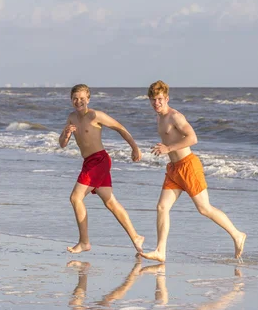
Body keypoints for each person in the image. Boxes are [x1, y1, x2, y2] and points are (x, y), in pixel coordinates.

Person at [140, 80, 246, 262]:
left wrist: (168, 148)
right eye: (152, 100)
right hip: (173, 169)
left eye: (159, 99)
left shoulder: (175, 117)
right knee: (162, 207)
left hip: (188, 166)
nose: (156, 103)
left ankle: (237, 235)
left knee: (204, 209)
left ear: (166, 98)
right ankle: (160, 251)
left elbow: (193, 138)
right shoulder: (159, 117)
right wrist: (167, 150)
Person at [59, 84, 144, 254]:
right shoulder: (71, 118)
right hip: (88, 162)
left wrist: (135, 148)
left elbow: (120, 127)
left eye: (82, 98)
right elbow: (62, 144)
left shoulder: (95, 115)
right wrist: (66, 134)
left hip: (99, 160)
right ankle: (136, 236)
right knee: (110, 202)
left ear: (88, 99)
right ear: (71, 100)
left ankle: (84, 242)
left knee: (76, 198)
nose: (79, 101)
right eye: (75, 98)